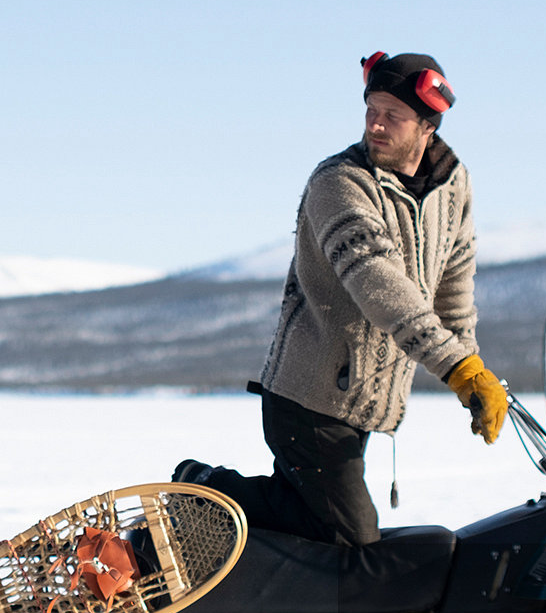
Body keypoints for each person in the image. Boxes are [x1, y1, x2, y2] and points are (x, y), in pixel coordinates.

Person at [178, 51, 506, 546]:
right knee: (350, 540)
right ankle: (205, 489)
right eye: (371, 110)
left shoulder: (453, 184)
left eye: (392, 116)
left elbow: (453, 282)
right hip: (308, 398)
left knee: (314, 526)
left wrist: (471, 363)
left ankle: (216, 511)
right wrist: (453, 366)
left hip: (365, 404)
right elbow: (378, 283)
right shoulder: (338, 183)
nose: (376, 125)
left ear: (426, 127)